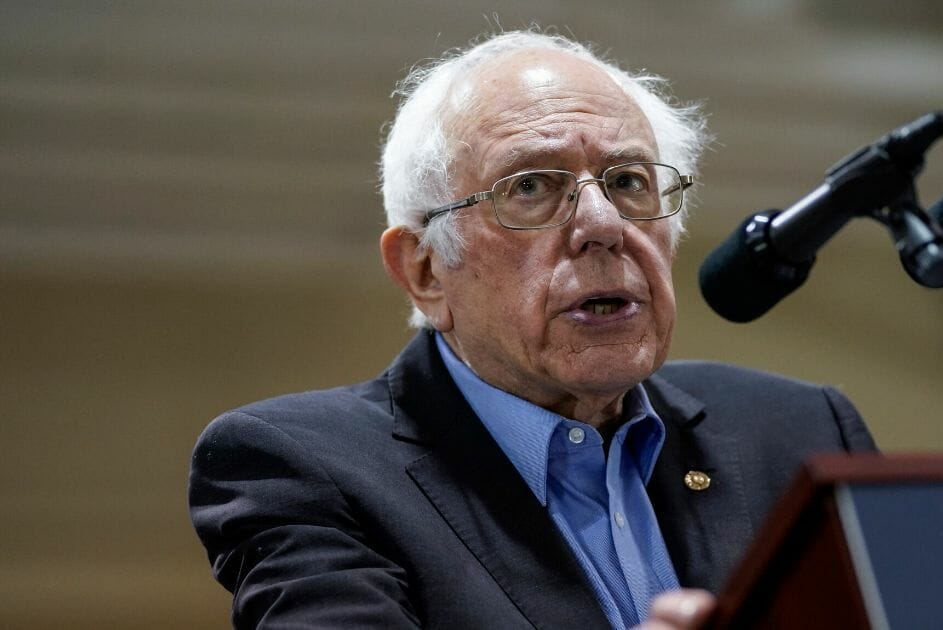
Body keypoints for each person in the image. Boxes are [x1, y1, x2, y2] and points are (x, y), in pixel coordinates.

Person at [188, 30, 875, 629]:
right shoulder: (303, 468)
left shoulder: (800, 432)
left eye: (629, 180)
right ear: (425, 270)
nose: (604, 225)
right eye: (529, 188)